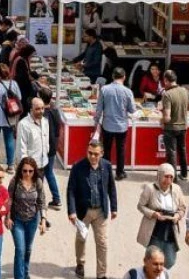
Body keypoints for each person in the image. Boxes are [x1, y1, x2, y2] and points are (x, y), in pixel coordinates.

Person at [67, 141, 118, 279]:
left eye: (96, 154)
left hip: (101, 211)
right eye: (90, 153)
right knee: (81, 238)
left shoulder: (106, 166)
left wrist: (114, 208)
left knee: (102, 243)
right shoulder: (78, 167)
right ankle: (80, 263)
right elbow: (71, 190)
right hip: (83, 211)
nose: (93, 156)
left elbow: (111, 187)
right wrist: (72, 211)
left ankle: (101, 274)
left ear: (101, 153)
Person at [136, 164, 186, 270]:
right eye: (166, 176)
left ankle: (161, 274)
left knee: (170, 260)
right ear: (159, 175)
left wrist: (178, 215)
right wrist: (154, 214)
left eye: (171, 177)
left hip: (170, 229)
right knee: (153, 259)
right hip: (155, 229)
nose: (168, 180)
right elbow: (140, 206)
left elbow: (182, 208)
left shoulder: (177, 189)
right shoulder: (150, 188)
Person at [8, 157, 48, 279]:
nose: (27, 174)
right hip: (17, 220)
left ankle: (25, 272)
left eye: (31, 171)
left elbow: (42, 201)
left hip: (32, 220)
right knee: (20, 249)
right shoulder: (15, 181)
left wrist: (43, 220)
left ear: (34, 171)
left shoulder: (38, 182)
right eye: (25, 171)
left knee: (28, 249)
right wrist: (8, 217)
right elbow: (8, 200)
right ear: (20, 170)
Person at [97, 68, 137, 180]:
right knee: (121, 150)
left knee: (106, 149)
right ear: (124, 77)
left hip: (107, 124)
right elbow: (132, 110)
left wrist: (96, 122)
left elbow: (99, 108)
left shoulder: (104, 89)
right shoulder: (128, 92)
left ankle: (106, 172)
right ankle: (120, 173)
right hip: (121, 126)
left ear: (112, 76)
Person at [0, 64, 22, 167]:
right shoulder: (14, 83)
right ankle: (10, 164)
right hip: (10, 116)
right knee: (9, 139)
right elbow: (19, 98)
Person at [160, 70, 189, 180]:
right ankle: (184, 174)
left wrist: (161, 121)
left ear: (166, 80)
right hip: (183, 126)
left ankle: (173, 177)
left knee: (171, 153)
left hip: (171, 128)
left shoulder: (167, 94)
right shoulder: (185, 91)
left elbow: (167, 117)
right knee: (182, 150)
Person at [40, 88, 64, 209]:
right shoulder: (55, 111)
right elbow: (58, 127)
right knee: (49, 172)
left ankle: (39, 199)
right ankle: (56, 198)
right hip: (53, 145)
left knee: (41, 173)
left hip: (43, 146)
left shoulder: (42, 113)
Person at [16, 96, 50, 178]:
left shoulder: (45, 122)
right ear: (31, 110)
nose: (41, 111)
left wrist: (46, 150)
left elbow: (46, 140)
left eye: (42, 108)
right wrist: (26, 169)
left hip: (42, 165)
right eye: (38, 109)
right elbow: (21, 149)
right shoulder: (23, 125)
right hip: (29, 169)